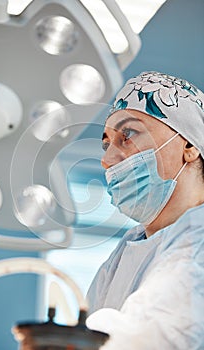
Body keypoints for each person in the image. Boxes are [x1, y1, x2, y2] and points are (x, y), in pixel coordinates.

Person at [86, 71, 204, 349]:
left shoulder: (198, 243)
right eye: (106, 143)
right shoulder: (125, 254)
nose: (106, 159)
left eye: (128, 135)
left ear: (189, 145)